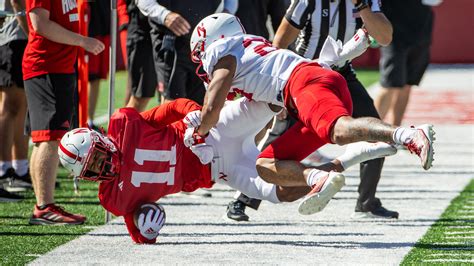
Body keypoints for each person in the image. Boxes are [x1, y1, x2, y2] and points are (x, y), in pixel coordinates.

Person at [58, 97, 397, 243]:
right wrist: (146, 228)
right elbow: (140, 228)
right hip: (221, 171)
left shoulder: (124, 123)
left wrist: (194, 119)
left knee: (270, 99)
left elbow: (172, 109)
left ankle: (326, 64)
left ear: (103, 141)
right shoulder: (112, 199)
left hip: (217, 132)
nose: (103, 167)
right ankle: (356, 155)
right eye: (94, 169)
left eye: (99, 158)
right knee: (279, 193)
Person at [189, 14, 436, 213]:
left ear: (211, 40)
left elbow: (212, 107)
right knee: (267, 166)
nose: (202, 61)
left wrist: (199, 133)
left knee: (339, 130)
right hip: (311, 81)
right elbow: (261, 114)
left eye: (201, 51)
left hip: (303, 83)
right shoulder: (251, 49)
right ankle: (338, 165)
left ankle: (406, 134)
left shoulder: (222, 49)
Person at [230, 0, 398, 221]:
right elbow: (280, 41)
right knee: (283, 133)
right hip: (302, 74)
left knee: (373, 129)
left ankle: (366, 202)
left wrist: (363, 7)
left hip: (340, 71)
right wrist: (274, 90)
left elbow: (385, 37)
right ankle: (243, 199)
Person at [23, 0, 104, 225]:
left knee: (46, 137)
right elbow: (40, 23)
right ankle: (44, 207)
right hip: (47, 66)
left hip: (59, 65)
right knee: (50, 136)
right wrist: (82, 41)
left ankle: (43, 205)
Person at [226, 0, 290, 221]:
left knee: (263, 129)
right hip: (231, 60)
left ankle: (242, 184)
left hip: (263, 62)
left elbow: (280, 21)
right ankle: (232, 179)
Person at [136, 0, 222, 106]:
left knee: (201, 105)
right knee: (172, 105)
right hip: (172, 42)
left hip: (205, 43)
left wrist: (222, 18)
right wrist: (165, 15)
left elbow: (229, 3)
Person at [373, 0, 441, 126]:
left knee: (407, 84)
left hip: (421, 30)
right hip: (394, 32)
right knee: (390, 84)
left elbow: (434, 1)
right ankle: (369, 134)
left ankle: (396, 133)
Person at [0, 0, 31, 201]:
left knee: (22, 107)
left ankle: (20, 168)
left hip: (19, 31)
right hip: (15, 32)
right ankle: (5, 170)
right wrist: (32, 32)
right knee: (10, 106)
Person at [86, 0, 110, 129]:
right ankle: (79, 119)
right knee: (83, 76)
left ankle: (90, 120)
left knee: (96, 77)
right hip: (85, 24)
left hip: (103, 23)